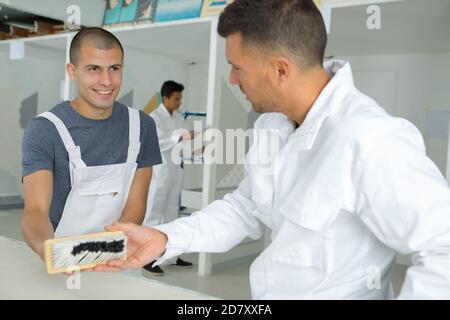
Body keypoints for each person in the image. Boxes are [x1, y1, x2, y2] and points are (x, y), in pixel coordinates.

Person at [99, 0, 450, 299]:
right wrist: (165, 238)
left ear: (281, 69)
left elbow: (443, 249)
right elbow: (244, 208)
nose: (233, 80)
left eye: (237, 68)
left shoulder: (371, 138)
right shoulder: (272, 125)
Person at [21, 27, 162, 261]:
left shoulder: (142, 126)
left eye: (114, 68)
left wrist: (101, 255)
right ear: (72, 71)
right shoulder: (45, 129)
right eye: (93, 69)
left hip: (115, 260)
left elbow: (135, 206)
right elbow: (35, 211)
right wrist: (53, 253)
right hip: (57, 259)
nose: (106, 81)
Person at [142, 81, 195, 275]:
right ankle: (148, 258)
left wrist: (195, 150)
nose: (179, 102)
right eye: (176, 98)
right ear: (165, 98)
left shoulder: (179, 117)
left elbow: (179, 145)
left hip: (175, 172)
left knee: (172, 213)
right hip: (160, 173)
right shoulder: (153, 118)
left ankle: (171, 256)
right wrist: (180, 136)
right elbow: (158, 141)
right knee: (154, 214)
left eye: (180, 98)